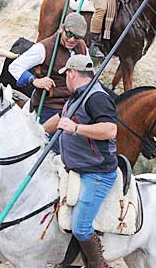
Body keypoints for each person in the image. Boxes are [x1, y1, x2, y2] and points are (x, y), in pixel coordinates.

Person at [43, 54, 118, 268]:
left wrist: (76, 128)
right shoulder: (77, 96)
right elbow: (62, 118)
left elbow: (110, 129)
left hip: (97, 172)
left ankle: (98, 265)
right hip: (75, 166)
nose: (65, 79)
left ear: (71, 73)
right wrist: (37, 130)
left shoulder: (96, 97)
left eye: (65, 74)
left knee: (81, 227)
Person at [9, 12, 87, 150]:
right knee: (58, 148)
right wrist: (34, 80)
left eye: (77, 37)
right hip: (50, 105)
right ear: (62, 28)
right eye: (69, 34)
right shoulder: (43, 48)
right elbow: (15, 66)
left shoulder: (81, 47)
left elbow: (89, 73)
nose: (72, 40)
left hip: (75, 104)